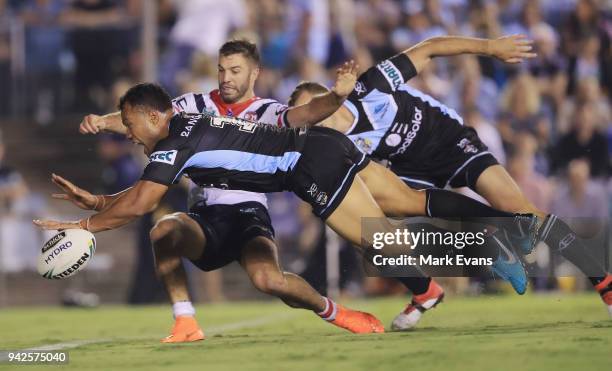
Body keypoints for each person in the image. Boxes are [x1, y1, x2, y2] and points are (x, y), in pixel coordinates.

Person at [35, 82, 536, 331]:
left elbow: (143, 203)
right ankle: (458, 269)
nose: (130, 134)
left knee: (376, 238)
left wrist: (83, 223)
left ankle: (489, 253)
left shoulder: (173, 139)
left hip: (308, 162)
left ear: (152, 116)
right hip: (314, 149)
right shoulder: (178, 130)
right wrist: (101, 202)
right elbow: (141, 196)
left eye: (130, 124)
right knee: (394, 213)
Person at [69, 41, 387, 341]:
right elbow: (145, 117)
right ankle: (185, 320)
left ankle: (337, 312)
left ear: (254, 73)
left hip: (248, 209)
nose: (226, 77)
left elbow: (303, 115)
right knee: (164, 230)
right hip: (205, 211)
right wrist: (102, 122)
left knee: (269, 280)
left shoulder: (268, 111)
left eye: (235, 70)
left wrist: (335, 98)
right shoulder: (194, 105)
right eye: (222, 69)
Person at [286, 34, 612, 324]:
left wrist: (489, 48)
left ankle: (604, 283)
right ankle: (429, 288)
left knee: (523, 211)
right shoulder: (336, 147)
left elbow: (431, 48)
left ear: (330, 98)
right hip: (409, 169)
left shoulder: (370, 87)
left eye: (311, 110)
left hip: (451, 142)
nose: (309, 121)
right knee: (370, 236)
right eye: (304, 120)